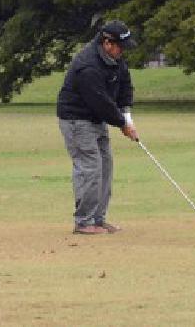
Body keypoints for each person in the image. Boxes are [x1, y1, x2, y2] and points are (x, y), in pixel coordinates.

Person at [57, 20, 139, 235]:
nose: (123, 52)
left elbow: (125, 86)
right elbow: (99, 101)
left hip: (97, 119)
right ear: (107, 43)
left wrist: (127, 117)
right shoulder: (88, 65)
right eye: (121, 47)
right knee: (90, 168)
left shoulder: (115, 60)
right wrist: (122, 123)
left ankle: (98, 219)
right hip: (77, 120)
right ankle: (83, 222)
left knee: (105, 166)